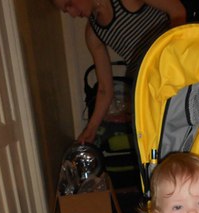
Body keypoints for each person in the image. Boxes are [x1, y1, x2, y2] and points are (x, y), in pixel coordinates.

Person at [52, 0, 186, 143]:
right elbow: (104, 89)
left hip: (176, 69)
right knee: (161, 142)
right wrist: (90, 130)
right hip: (147, 88)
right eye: (66, 11)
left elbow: (177, 11)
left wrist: (169, 59)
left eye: (69, 4)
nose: (72, 14)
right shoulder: (93, 33)